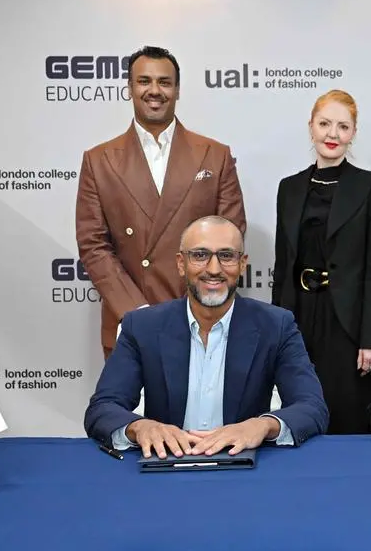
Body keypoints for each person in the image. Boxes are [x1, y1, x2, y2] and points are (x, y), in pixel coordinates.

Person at [84, 216, 328, 457]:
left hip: (243, 466)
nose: (213, 269)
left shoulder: (276, 325)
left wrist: (262, 425)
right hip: (166, 465)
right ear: (181, 263)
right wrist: (140, 427)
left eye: (226, 256)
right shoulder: (142, 326)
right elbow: (103, 408)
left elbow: (312, 406)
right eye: (200, 255)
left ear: (242, 264)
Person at [76, 45, 246, 359]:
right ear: (129, 88)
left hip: (201, 324)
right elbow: (93, 245)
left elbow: (229, 239)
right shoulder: (98, 161)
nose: (154, 91)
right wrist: (138, 314)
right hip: (128, 324)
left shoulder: (216, 155)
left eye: (164, 82)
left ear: (177, 90)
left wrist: (191, 311)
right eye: (144, 81)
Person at [271, 90, 371, 434]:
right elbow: (283, 264)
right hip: (297, 315)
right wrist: (275, 329)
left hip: (347, 323)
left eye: (343, 126)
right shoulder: (289, 188)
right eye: (325, 124)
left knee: (346, 414)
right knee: (297, 411)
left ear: (353, 132)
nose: (332, 134)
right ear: (311, 126)